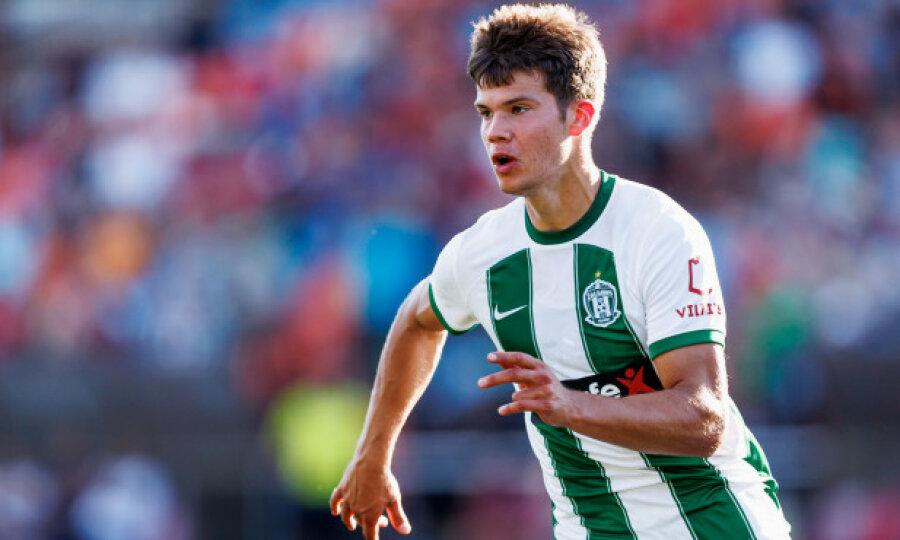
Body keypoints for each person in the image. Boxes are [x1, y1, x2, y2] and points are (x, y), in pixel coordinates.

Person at [330, 4, 792, 539]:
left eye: (519, 109)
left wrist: (572, 404)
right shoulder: (483, 251)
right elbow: (416, 321)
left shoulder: (657, 231)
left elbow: (704, 418)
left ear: (580, 117)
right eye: (486, 112)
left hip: (712, 523)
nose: (496, 132)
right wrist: (373, 454)